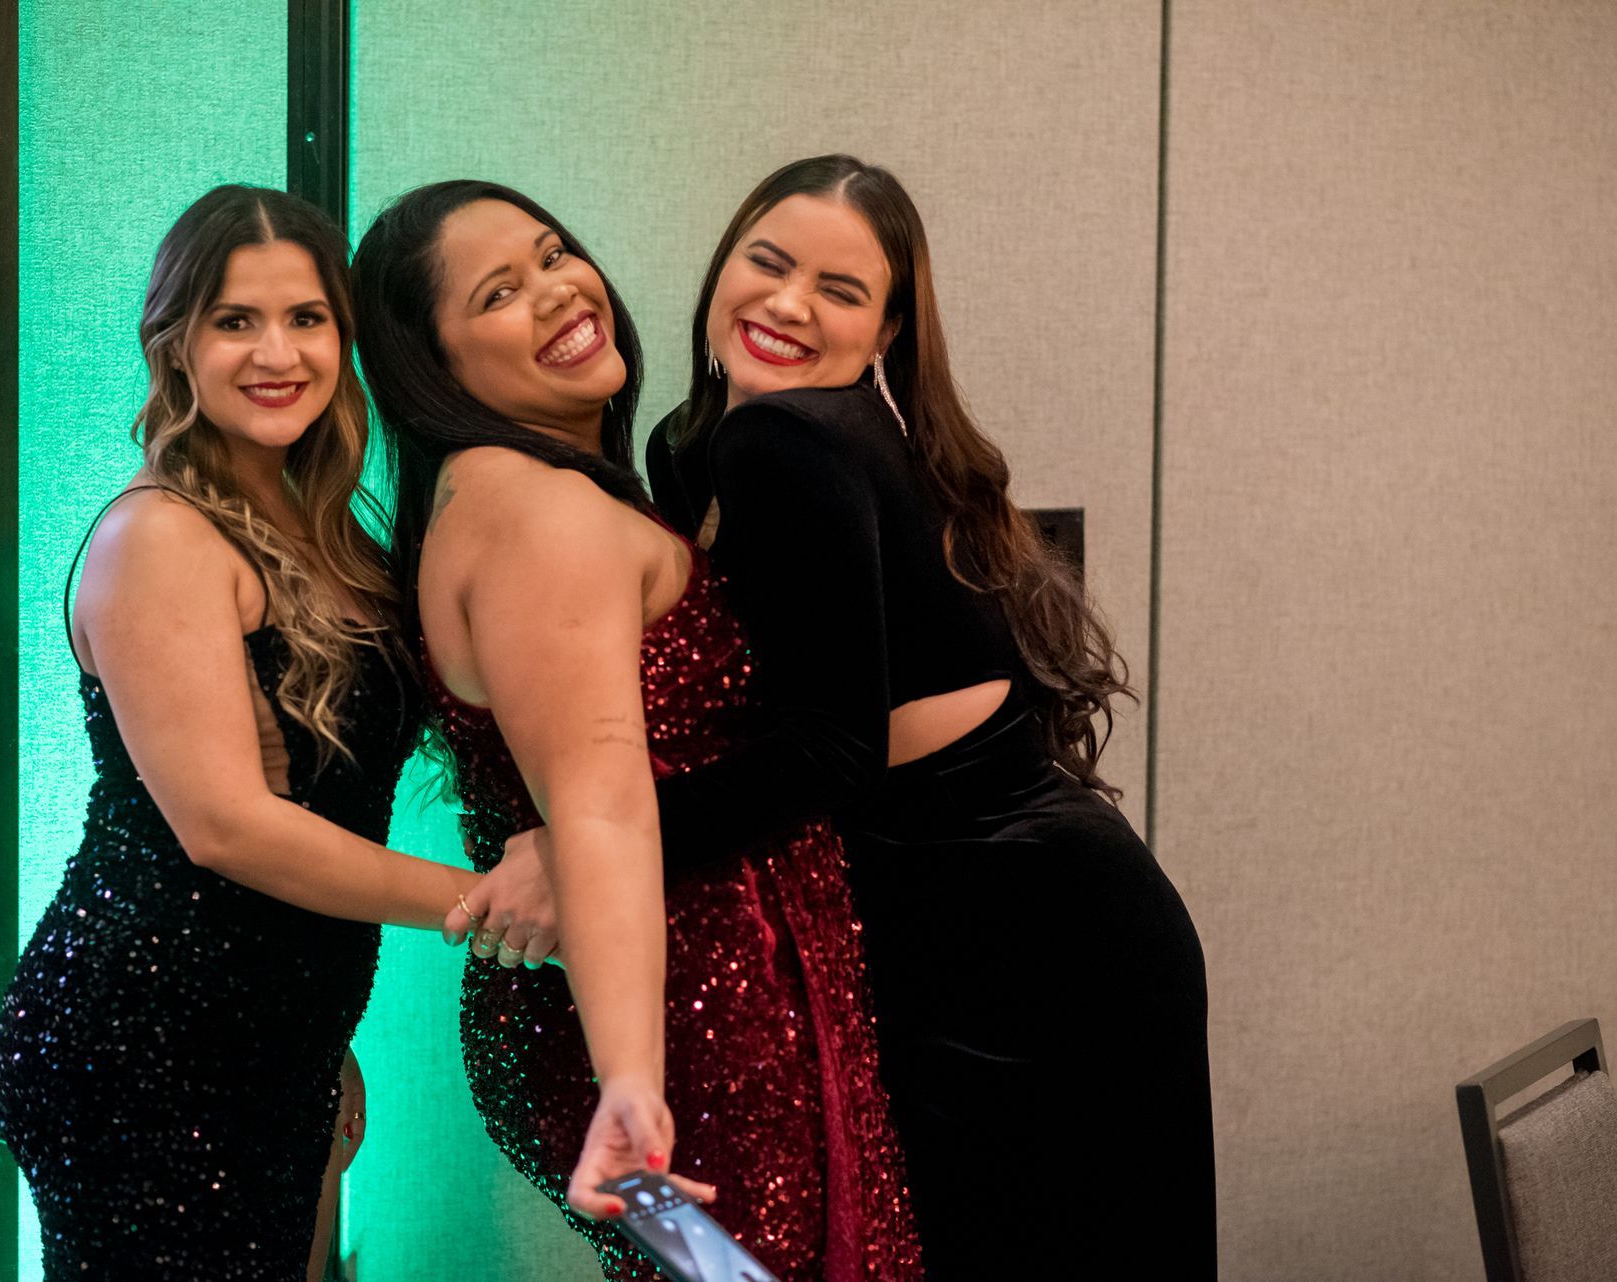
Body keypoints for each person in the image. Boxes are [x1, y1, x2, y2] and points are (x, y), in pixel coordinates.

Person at [512, 153, 1216, 1274]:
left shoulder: (781, 442)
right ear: (720, 268)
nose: (788, 305)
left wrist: (592, 852)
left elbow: (829, 750)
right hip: (993, 911)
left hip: (1026, 937)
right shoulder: (695, 448)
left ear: (884, 334)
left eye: (840, 292)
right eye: (767, 262)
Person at [351, 180, 921, 1281]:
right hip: (692, 1012)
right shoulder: (540, 513)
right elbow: (599, 804)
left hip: (688, 997)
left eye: (555, 252)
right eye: (500, 295)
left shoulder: (523, 491)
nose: (562, 290)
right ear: (436, 367)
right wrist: (631, 1078)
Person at [0, 185, 496, 1280]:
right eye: (236, 320)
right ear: (176, 346)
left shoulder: (328, 532)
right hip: (142, 1042)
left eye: (307, 318)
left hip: (272, 1036)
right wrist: (480, 902)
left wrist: (317, 1039)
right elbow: (227, 828)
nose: (279, 352)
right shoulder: (160, 537)